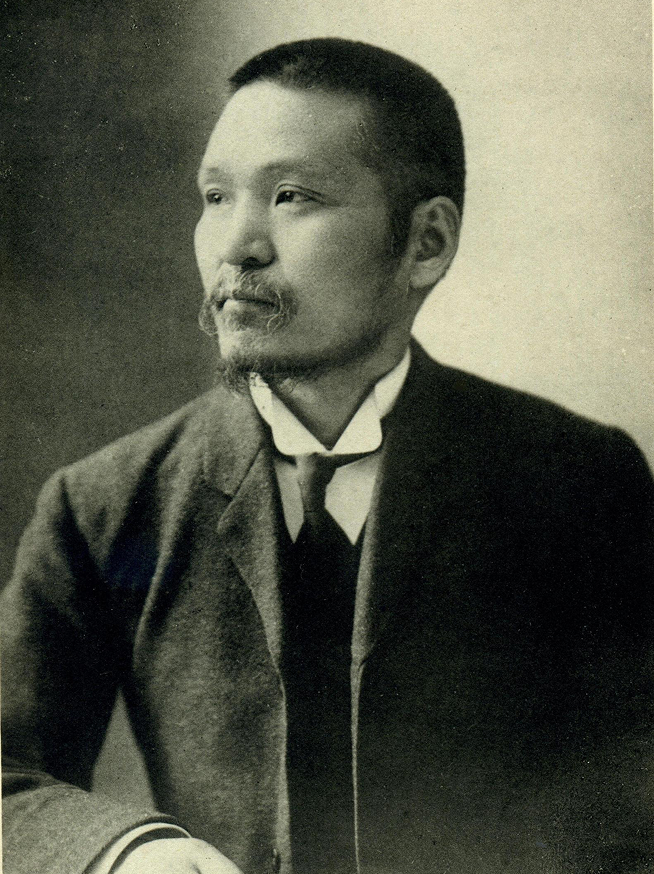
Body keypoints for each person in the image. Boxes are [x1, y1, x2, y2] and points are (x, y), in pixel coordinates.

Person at [2, 37, 653, 874]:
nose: (238, 245)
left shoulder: (577, 483)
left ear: (425, 244)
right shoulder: (106, 506)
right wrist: (129, 852)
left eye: (292, 197)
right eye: (215, 196)